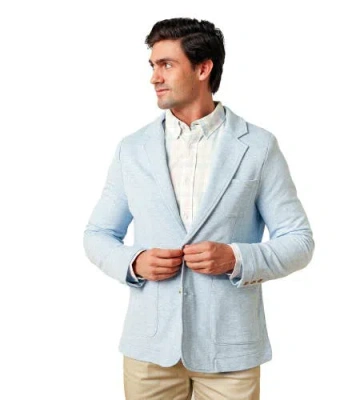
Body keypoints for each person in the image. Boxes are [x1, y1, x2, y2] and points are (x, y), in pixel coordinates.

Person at [83, 17, 315, 400]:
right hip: (149, 352)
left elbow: (299, 241)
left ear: (203, 68)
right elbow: (97, 235)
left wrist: (236, 258)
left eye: (166, 64)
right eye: (153, 65)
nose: (154, 77)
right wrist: (134, 262)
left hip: (230, 354)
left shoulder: (258, 147)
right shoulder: (132, 149)